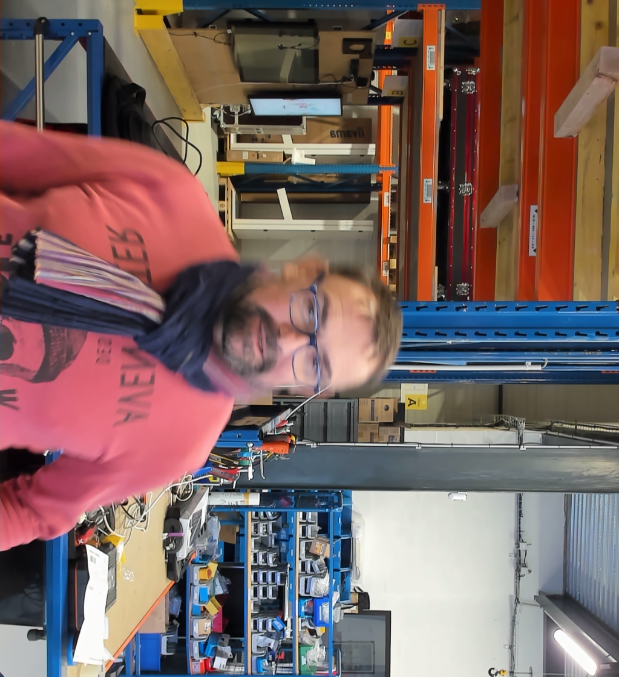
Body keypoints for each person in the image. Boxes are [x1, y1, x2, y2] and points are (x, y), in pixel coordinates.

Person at [0, 122, 402, 550]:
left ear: (307, 388)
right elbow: (14, 154)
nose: (286, 339)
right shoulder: (173, 194)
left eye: (315, 361)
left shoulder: (178, 446)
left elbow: (35, 511)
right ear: (304, 269)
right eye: (311, 312)